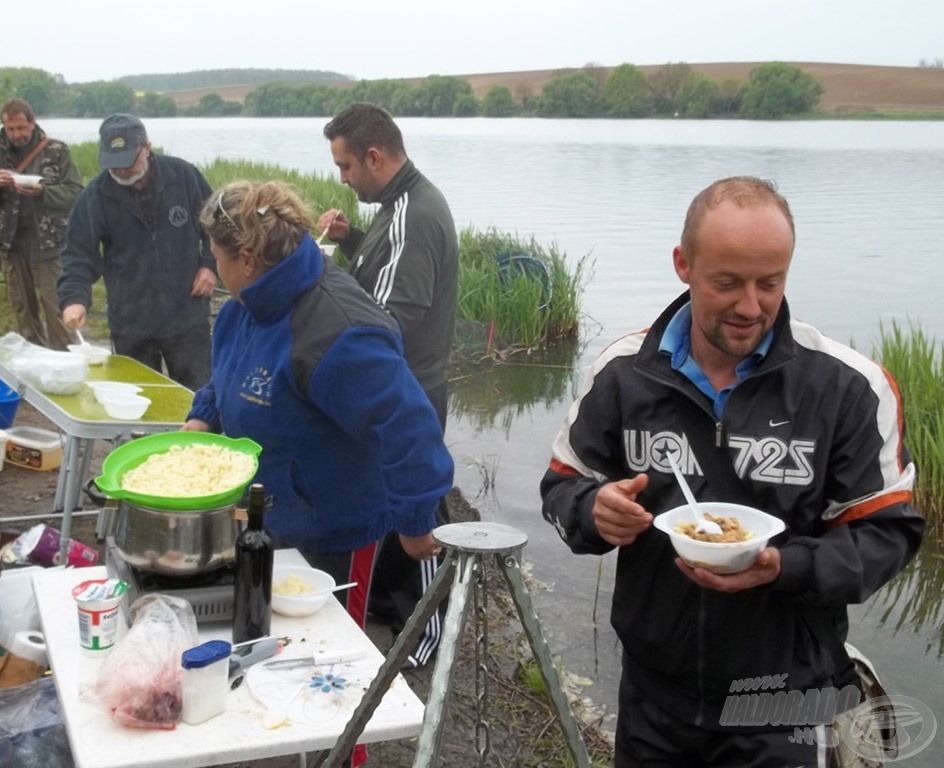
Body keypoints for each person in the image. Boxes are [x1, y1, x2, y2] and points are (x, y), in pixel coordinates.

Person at [540, 176, 924, 767]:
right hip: (653, 697)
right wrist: (593, 511)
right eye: (727, 283)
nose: (751, 306)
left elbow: (889, 535)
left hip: (785, 700)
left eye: (770, 283)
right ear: (683, 265)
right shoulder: (623, 374)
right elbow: (563, 489)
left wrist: (783, 566)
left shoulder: (848, 388)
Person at [184, 179, 453, 629]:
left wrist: (415, 518)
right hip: (271, 512)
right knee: (275, 628)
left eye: (217, 257)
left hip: (337, 526)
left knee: (330, 644)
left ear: (247, 259)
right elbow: (227, 375)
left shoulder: (340, 334)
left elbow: (408, 422)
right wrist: (202, 417)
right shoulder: (243, 305)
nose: (215, 265)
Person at [317, 102, 458, 669]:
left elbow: (394, 316)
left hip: (408, 392)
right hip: (400, 386)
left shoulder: (415, 213)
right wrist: (352, 241)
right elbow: (385, 267)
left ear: (374, 156)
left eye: (345, 166)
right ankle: (389, 608)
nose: (342, 178)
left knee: (418, 508)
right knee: (388, 505)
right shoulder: (394, 203)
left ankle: (429, 637)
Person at [58, 114, 216, 390]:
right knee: (139, 398)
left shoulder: (183, 176)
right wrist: (74, 299)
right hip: (131, 319)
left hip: (186, 311)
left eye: (127, 162)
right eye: (113, 164)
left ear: (147, 147)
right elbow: (77, 255)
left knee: (198, 393)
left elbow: (217, 226)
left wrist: (209, 265)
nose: (120, 171)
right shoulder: (96, 195)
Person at [0, 98, 82, 350]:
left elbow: (75, 192)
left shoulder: (57, 151)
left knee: (57, 306)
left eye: (21, 128)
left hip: (49, 242)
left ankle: (66, 362)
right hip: (10, 242)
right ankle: (35, 363)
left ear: (32, 122)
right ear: (3, 126)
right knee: (23, 309)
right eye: (10, 129)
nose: (17, 134)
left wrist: (42, 191)